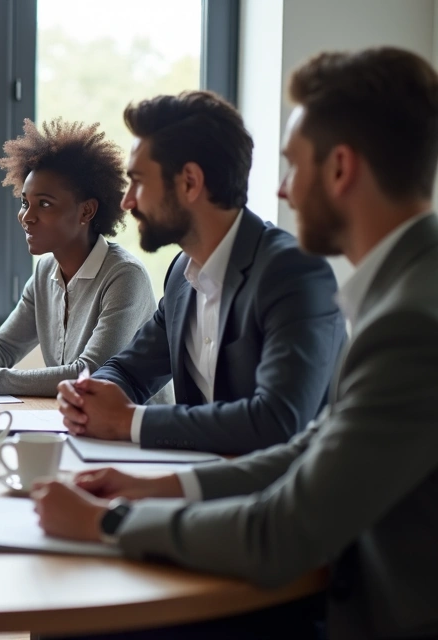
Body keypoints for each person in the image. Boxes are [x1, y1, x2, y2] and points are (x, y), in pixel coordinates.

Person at [34, 47, 438, 639]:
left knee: (73, 618)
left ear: (341, 169)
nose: (282, 191)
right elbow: (313, 448)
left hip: (365, 613)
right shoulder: (406, 292)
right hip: (311, 563)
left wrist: (111, 522)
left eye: (293, 166)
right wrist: (155, 486)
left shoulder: (408, 323)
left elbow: (283, 526)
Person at [55, 91, 345, 455]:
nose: (128, 201)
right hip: (198, 483)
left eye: (140, 181)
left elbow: (278, 421)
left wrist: (129, 421)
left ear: (190, 182)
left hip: (282, 499)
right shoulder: (181, 275)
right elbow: (129, 371)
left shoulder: (294, 272)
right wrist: (88, 394)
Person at [0, 118, 166, 400]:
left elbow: (89, 373)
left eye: (45, 204)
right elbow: (4, 348)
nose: (27, 216)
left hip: (133, 435)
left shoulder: (124, 276)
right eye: (25, 202)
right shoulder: (45, 271)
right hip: (77, 424)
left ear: (86, 212)